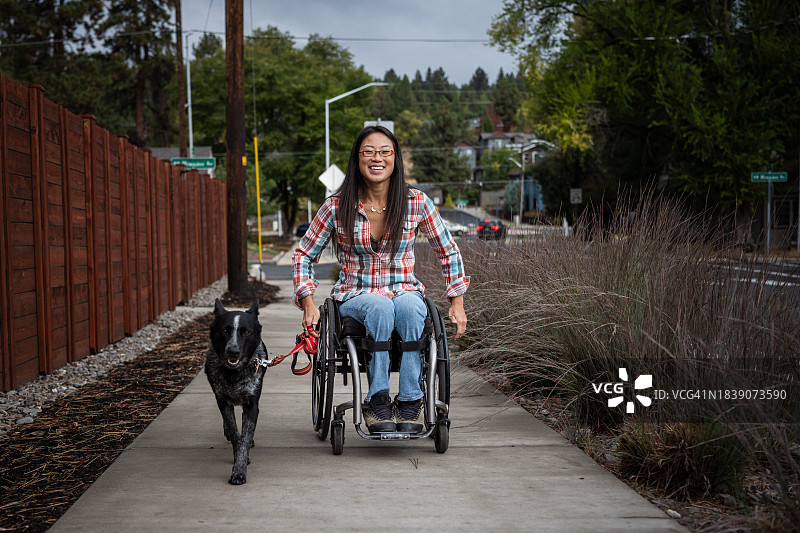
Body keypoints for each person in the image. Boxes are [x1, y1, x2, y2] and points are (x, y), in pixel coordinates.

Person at [292, 125, 469, 434]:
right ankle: (378, 399)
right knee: (379, 307)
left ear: (395, 158)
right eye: (369, 152)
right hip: (354, 295)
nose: (377, 158)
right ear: (357, 158)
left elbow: (448, 250)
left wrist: (457, 301)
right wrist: (308, 302)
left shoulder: (416, 202)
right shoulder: (336, 206)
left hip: (404, 290)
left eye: (385, 151)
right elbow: (303, 255)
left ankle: (412, 401)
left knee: (413, 308)